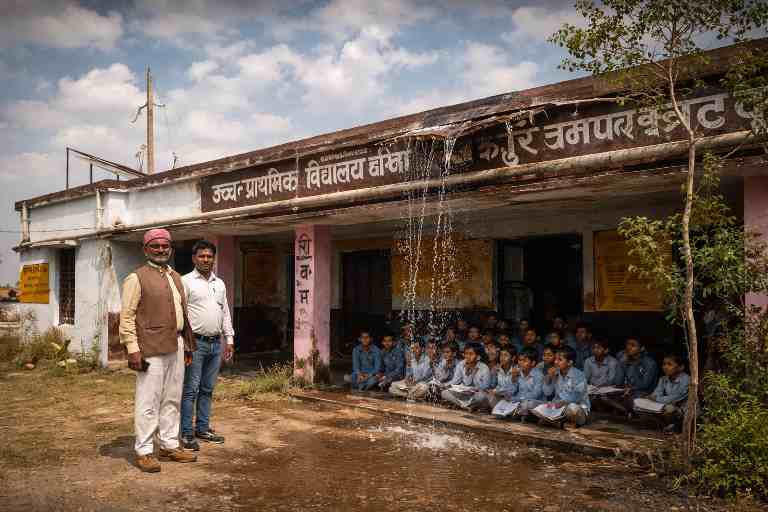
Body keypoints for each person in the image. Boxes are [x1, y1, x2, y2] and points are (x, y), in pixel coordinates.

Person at [119, 228, 197, 473]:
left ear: (171, 249)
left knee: (172, 398)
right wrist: (133, 349)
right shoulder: (136, 278)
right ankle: (144, 451)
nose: (161, 250)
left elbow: (182, 314)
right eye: (156, 246)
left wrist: (186, 345)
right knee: (148, 401)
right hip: (150, 347)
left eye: (165, 246)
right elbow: (127, 317)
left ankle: (169, 445)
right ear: (146, 249)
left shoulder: (175, 277)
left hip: (176, 344)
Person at [180, 240, 235, 451]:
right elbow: (181, 314)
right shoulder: (185, 282)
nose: (206, 259)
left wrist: (229, 339)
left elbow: (225, 312)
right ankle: (186, 433)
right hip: (195, 343)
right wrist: (185, 343)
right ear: (194, 258)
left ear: (214, 258)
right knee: (190, 390)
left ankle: (202, 428)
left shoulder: (219, 283)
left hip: (215, 344)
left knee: (207, 389)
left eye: (209, 256)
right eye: (201, 256)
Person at [538, 346, 591, 428]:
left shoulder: (579, 375)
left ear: (570, 362)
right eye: (555, 359)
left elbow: (575, 398)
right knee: (538, 405)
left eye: (560, 360)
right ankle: (559, 422)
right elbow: (547, 392)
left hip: (576, 408)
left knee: (572, 409)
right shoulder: (556, 373)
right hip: (557, 409)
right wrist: (549, 378)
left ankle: (557, 421)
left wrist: (558, 404)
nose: (555, 362)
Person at [605, 337, 659, 415]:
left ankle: (629, 412)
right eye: (627, 345)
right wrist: (621, 363)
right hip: (628, 391)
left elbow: (645, 385)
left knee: (634, 399)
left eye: (633, 345)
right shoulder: (625, 360)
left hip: (644, 392)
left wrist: (631, 388)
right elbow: (618, 382)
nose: (628, 348)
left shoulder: (650, 363)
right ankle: (627, 411)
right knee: (605, 396)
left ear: (642, 348)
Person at [638, 354, 690, 432]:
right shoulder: (663, 379)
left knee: (669, 409)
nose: (665, 367)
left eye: (669, 364)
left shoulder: (687, 380)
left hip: (684, 410)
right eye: (664, 364)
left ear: (681, 367)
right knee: (639, 402)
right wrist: (650, 397)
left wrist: (655, 398)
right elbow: (656, 393)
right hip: (667, 404)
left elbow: (676, 397)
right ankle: (662, 425)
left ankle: (676, 426)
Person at [441, 345, 491, 411]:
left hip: (475, 395)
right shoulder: (461, 364)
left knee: (482, 397)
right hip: (464, 393)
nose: (467, 356)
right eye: (466, 354)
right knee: (444, 393)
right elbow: (455, 381)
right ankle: (466, 406)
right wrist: (444, 386)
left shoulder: (484, 368)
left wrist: (473, 374)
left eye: (471, 354)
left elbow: (485, 387)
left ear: (478, 357)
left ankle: (464, 405)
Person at [482, 345, 518, 409]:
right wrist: (493, 374)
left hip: (511, 399)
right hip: (499, 396)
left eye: (506, 355)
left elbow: (513, 391)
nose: (502, 358)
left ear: (513, 358)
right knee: (482, 394)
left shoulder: (516, 370)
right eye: (501, 355)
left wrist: (514, 377)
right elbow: (493, 385)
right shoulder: (498, 369)